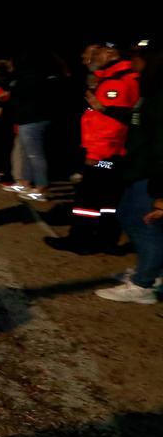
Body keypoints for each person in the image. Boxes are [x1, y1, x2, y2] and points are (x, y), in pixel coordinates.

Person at [47, 43, 139, 254]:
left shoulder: (117, 83)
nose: (88, 57)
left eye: (96, 53)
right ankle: (105, 240)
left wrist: (94, 155)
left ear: (110, 53)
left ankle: (79, 240)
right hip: (113, 156)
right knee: (107, 199)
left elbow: (109, 126)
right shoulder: (122, 78)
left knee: (88, 197)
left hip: (103, 156)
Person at [95, 45, 163, 304]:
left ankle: (143, 283)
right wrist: (103, 109)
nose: (132, 60)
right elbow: (136, 119)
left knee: (139, 221)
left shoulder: (150, 92)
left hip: (146, 171)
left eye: (136, 56)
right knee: (133, 217)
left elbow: (159, 145)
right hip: (132, 166)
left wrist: (160, 193)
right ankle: (150, 272)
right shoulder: (150, 91)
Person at [3, 51, 58, 202]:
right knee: (27, 155)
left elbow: (18, 97)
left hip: (32, 120)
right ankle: (24, 183)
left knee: (34, 155)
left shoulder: (29, 77)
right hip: (29, 119)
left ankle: (41, 188)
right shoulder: (35, 75)